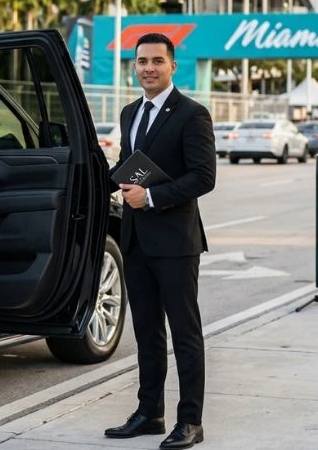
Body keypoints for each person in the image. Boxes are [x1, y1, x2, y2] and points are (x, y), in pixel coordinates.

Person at [104, 32, 216, 449]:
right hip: (135, 240)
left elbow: (204, 177)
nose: (148, 67)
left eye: (156, 61)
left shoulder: (192, 113)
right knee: (147, 331)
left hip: (176, 242)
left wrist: (150, 196)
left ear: (172, 66)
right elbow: (130, 165)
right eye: (141, 61)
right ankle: (149, 412)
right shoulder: (130, 112)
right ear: (133, 66)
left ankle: (191, 421)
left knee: (185, 333)